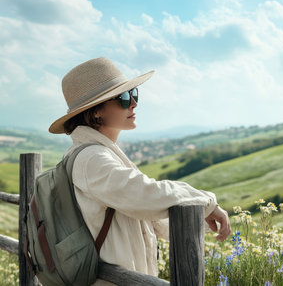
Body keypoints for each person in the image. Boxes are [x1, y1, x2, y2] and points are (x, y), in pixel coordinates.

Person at [48, 57, 231, 285]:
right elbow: (144, 195)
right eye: (124, 98)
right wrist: (207, 202)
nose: (134, 103)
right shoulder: (92, 158)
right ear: (96, 112)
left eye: (134, 94)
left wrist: (200, 218)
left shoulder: (96, 154)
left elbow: (146, 217)